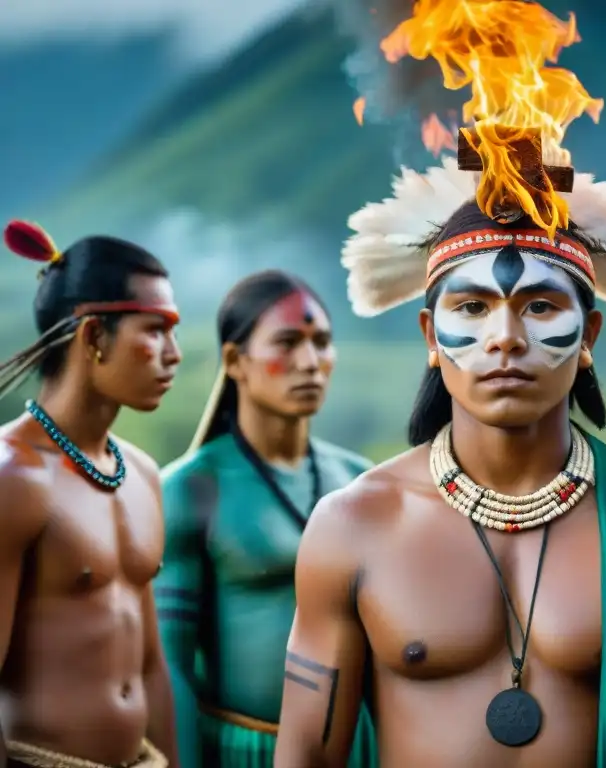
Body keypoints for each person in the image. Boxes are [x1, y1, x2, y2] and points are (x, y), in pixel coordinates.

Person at [273, 149, 606, 768]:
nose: (506, 337)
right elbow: (306, 755)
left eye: (541, 307)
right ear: (429, 339)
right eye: (471, 308)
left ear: (590, 339)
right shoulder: (353, 527)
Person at [154, 270, 374, 767]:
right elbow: (171, 665)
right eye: (288, 342)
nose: (310, 362)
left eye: (321, 343)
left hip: (358, 749)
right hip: (242, 749)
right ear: (235, 361)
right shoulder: (191, 489)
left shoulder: (364, 482)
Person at [0, 220, 181, 768]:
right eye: (155, 330)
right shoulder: (13, 478)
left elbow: (149, 663)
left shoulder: (143, 473)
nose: (173, 354)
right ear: (94, 336)